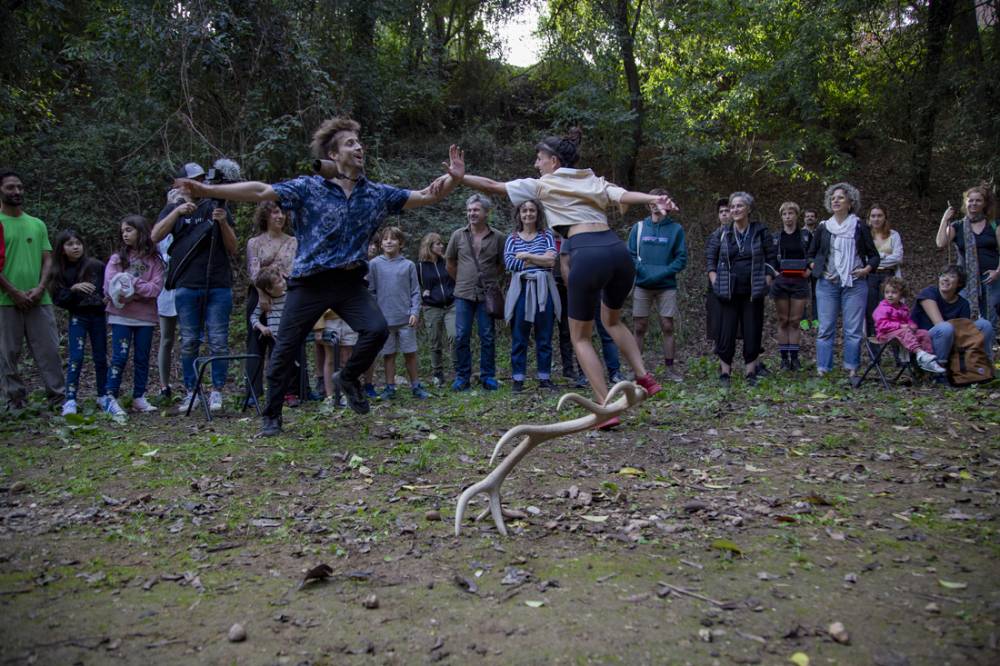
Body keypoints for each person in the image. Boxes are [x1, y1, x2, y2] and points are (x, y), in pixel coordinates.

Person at [174, 117, 462, 436]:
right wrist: (208, 189)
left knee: (377, 329)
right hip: (309, 282)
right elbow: (260, 191)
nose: (359, 146)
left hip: (350, 283)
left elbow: (426, 195)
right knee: (285, 348)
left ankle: (348, 378)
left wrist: (453, 179)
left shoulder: (377, 194)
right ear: (333, 154)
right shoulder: (308, 188)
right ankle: (271, 415)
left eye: (359, 142)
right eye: (350, 143)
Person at [457, 128, 665, 428]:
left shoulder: (543, 185)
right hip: (617, 252)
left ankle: (606, 409)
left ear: (553, 161)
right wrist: (654, 198)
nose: (535, 164)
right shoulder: (591, 178)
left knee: (580, 337)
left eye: (539, 159)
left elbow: (493, 185)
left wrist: (460, 177)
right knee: (613, 321)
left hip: (587, 253)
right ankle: (644, 376)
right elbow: (623, 196)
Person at [152, 169, 238, 414]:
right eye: (192, 180)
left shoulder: (215, 204)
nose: (196, 184)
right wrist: (177, 210)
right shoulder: (173, 207)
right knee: (189, 341)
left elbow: (232, 248)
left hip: (218, 284)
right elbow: (155, 235)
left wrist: (221, 222)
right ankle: (192, 392)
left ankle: (217, 392)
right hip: (187, 286)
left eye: (200, 180)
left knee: (219, 341)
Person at [0, 170, 64, 410]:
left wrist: (39, 288)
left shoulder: (36, 224)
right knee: (8, 354)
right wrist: (14, 292)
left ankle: (57, 399)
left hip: (39, 298)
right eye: (10, 188)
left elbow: (47, 258)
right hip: (5, 301)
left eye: (19, 187)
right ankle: (14, 402)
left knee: (49, 350)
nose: (16, 192)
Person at [807, 182, 880, 387]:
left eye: (840, 197)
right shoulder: (823, 227)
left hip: (855, 284)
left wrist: (866, 270)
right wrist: (816, 267)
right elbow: (811, 254)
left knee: (853, 330)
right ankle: (823, 370)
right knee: (825, 328)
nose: (835, 200)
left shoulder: (860, 226)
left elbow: (874, 257)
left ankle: (852, 370)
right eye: (833, 198)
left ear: (850, 203)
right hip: (827, 284)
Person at [706, 192, 777, 387]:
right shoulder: (722, 233)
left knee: (752, 330)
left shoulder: (760, 231)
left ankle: (750, 372)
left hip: (753, 290)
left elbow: (772, 257)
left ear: (749, 209)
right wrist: (714, 280)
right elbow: (711, 260)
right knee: (725, 332)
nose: (735, 210)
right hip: (727, 290)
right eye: (732, 206)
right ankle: (725, 374)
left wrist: (768, 279)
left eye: (739, 206)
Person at [102, 215, 165, 419]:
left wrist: (132, 283)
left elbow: (155, 289)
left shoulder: (155, 260)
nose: (125, 234)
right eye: (123, 231)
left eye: (129, 230)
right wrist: (132, 288)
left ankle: (139, 396)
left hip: (146, 317)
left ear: (141, 231)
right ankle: (110, 396)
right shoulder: (118, 258)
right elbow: (111, 286)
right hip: (121, 316)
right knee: (119, 356)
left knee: (142, 358)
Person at [627, 188, 687, 382]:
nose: (655, 203)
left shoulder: (676, 229)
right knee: (639, 326)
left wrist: (663, 272)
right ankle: (637, 370)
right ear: (648, 203)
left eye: (660, 199)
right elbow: (630, 255)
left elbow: (681, 259)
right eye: (652, 200)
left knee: (667, 325)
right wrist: (642, 271)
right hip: (643, 284)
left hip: (666, 285)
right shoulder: (639, 227)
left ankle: (670, 369)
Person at [445, 193, 504, 391]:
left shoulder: (498, 237)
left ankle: (488, 376)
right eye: (469, 210)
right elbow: (450, 263)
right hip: (463, 294)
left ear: (486, 212)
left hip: (486, 296)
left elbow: (501, 265)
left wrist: (488, 281)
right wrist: (462, 281)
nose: (472, 213)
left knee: (487, 336)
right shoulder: (458, 235)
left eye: (476, 210)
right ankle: (462, 376)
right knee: (461, 336)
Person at [49, 230, 108, 415]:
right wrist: (73, 289)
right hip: (78, 317)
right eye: (70, 244)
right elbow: (58, 299)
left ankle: (103, 395)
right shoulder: (60, 270)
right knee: (76, 357)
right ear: (62, 249)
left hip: (98, 317)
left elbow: (109, 286)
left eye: (78, 243)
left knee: (100, 357)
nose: (75, 247)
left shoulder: (96, 266)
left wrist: (110, 298)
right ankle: (71, 399)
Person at [504, 199, 559, 392]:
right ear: (519, 214)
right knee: (520, 335)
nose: (528, 214)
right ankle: (518, 379)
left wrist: (526, 256)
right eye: (524, 210)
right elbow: (510, 263)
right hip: (521, 289)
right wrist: (539, 260)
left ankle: (544, 378)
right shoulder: (512, 238)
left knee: (544, 334)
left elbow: (551, 261)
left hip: (544, 289)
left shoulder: (546, 235)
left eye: (532, 210)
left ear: (538, 213)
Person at [368, 226, 429, 399]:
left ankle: (416, 385)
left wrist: (415, 312)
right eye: (385, 239)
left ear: (400, 243)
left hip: (405, 319)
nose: (388, 241)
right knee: (389, 355)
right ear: (380, 244)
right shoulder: (374, 265)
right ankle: (389, 387)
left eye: (393, 239)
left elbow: (415, 291)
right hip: (384, 320)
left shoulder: (408, 265)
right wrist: (375, 315)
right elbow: (370, 292)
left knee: (410, 353)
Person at [245, 201, 297, 401]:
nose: (280, 216)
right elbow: (253, 270)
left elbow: (292, 270)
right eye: (275, 212)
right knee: (256, 342)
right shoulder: (255, 242)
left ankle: (289, 390)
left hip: (285, 295)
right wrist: (262, 294)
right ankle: (253, 392)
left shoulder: (292, 241)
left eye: (282, 212)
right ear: (265, 216)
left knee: (286, 341)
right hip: (259, 295)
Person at [912, 265, 995, 378]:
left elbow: (963, 334)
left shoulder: (963, 303)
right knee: (945, 327)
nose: (945, 279)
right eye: (943, 275)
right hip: (924, 341)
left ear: (959, 283)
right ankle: (940, 372)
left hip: (951, 341)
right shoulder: (929, 293)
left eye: (951, 276)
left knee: (984, 325)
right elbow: (939, 324)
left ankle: (983, 366)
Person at [935, 185, 999, 326]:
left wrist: (998, 272)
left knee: (990, 315)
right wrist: (944, 219)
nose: (974, 204)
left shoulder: (994, 225)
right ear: (965, 202)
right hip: (965, 278)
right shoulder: (957, 226)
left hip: (990, 278)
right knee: (965, 313)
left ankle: (988, 345)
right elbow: (940, 242)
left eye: (978, 200)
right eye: (970, 200)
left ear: (984, 203)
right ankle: (968, 344)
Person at [872, 276, 945, 374]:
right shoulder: (883, 308)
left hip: (902, 333)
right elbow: (882, 325)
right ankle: (920, 353)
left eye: (894, 292)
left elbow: (908, 320)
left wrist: (912, 326)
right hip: (885, 334)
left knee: (923, 333)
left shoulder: (903, 308)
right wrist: (900, 326)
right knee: (905, 331)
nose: (890, 295)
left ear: (901, 295)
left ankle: (928, 357)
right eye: (887, 292)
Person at [770, 202, 812, 371]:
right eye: (784, 214)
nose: (788, 216)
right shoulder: (776, 237)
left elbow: (813, 254)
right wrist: (774, 273)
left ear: (796, 215)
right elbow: (770, 258)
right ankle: (783, 358)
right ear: (781, 217)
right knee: (783, 320)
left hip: (800, 282)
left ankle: (794, 358)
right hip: (781, 282)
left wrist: (809, 270)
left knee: (795, 321)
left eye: (791, 213)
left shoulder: (805, 236)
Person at [417, 232, 456, 386]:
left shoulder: (446, 261)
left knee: (455, 336)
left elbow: (455, 277)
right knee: (435, 341)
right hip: (432, 307)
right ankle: (438, 373)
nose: (442, 246)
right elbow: (414, 286)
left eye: (441, 243)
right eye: (438, 244)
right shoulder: (419, 267)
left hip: (452, 304)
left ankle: (458, 370)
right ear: (429, 246)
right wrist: (423, 294)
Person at [865, 203, 904, 334]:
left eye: (879, 216)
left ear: (885, 217)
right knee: (871, 312)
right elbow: (863, 259)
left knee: (891, 311)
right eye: (873, 216)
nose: (876, 219)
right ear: (869, 218)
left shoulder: (894, 235)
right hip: (870, 277)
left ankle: (894, 346)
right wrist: (883, 256)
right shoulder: (866, 236)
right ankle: (874, 349)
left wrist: (875, 258)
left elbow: (898, 257)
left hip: (889, 277)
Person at [706, 198, 730, 343]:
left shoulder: (742, 234)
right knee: (717, 319)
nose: (724, 214)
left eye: (727, 211)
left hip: (736, 282)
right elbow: (710, 261)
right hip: (716, 282)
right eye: (721, 212)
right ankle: (720, 350)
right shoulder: (714, 236)